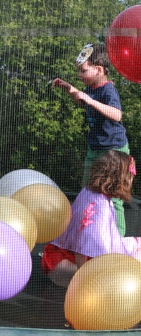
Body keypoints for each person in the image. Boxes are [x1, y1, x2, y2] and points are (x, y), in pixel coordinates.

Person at [52, 43, 129, 237]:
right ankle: (88, 234)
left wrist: (90, 101)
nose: (79, 75)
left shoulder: (107, 90)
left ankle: (117, 239)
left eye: (83, 71)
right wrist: (69, 88)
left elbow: (117, 114)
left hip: (113, 151)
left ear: (99, 69)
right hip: (95, 150)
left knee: (114, 196)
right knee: (87, 192)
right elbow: (80, 99)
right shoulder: (91, 87)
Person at [41, 150, 140, 287]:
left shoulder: (90, 192)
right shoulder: (99, 205)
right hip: (66, 265)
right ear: (120, 178)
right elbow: (82, 246)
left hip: (55, 257)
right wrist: (86, 281)